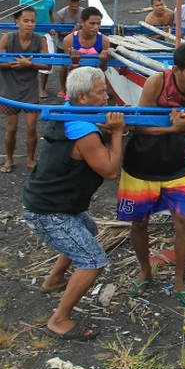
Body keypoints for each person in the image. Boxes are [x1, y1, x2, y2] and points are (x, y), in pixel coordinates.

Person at [22, 66, 125, 340]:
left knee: (88, 230)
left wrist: (105, 125)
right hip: (49, 211)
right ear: (82, 98)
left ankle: (54, 280)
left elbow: (91, 125)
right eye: (101, 92)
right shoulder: (84, 133)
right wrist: (116, 132)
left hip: (52, 202)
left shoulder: (67, 111)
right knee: (93, 260)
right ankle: (59, 319)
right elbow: (110, 170)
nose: (106, 97)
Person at [118, 42, 185, 307]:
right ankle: (144, 270)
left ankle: (180, 279)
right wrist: (174, 130)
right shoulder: (156, 83)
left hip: (176, 165)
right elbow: (139, 125)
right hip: (142, 162)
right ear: (176, 70)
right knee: (139, 222)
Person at [0, 7, 49, 173]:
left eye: (32, 21)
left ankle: (31, 160)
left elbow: (47, 65)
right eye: (26, 21)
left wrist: (30, 64)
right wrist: (14, 64)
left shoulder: (40, 40)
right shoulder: (7, 38)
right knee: (12, 127)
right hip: (9, 88)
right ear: (17, 22)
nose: (30, 24)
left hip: (29, 88)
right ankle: (9, 159)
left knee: (31, 127)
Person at [20, 0, 57, 100]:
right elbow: (20, 16)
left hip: (44, 33)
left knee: (48, 59)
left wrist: (51, 27)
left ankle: (42, 88)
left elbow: (51, 14)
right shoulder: (23, 0)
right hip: (29, 33)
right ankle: (25, 86)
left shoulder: (50, 0)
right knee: (24, 58)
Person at [61, 7, 111, 73]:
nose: (96, 27)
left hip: (96, 79)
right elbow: (69, 69)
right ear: (82, 22)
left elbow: (103, 70)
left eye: (98, 23)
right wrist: (75, 62)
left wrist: (103, 63)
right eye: (92, 23)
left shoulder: (104, 41)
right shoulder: (69, 40)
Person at [53, 0, 83, 94]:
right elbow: (58, 31)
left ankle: (78, 88)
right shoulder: (61, 14)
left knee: (80, 65)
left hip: (80, 43)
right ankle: (62, 88)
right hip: (63, 43)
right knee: (64, 66)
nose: (75, 3)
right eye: (72, 1)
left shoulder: (84, 12)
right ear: (68, 2)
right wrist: (72, 32)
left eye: (76, 1)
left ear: (80, 1)